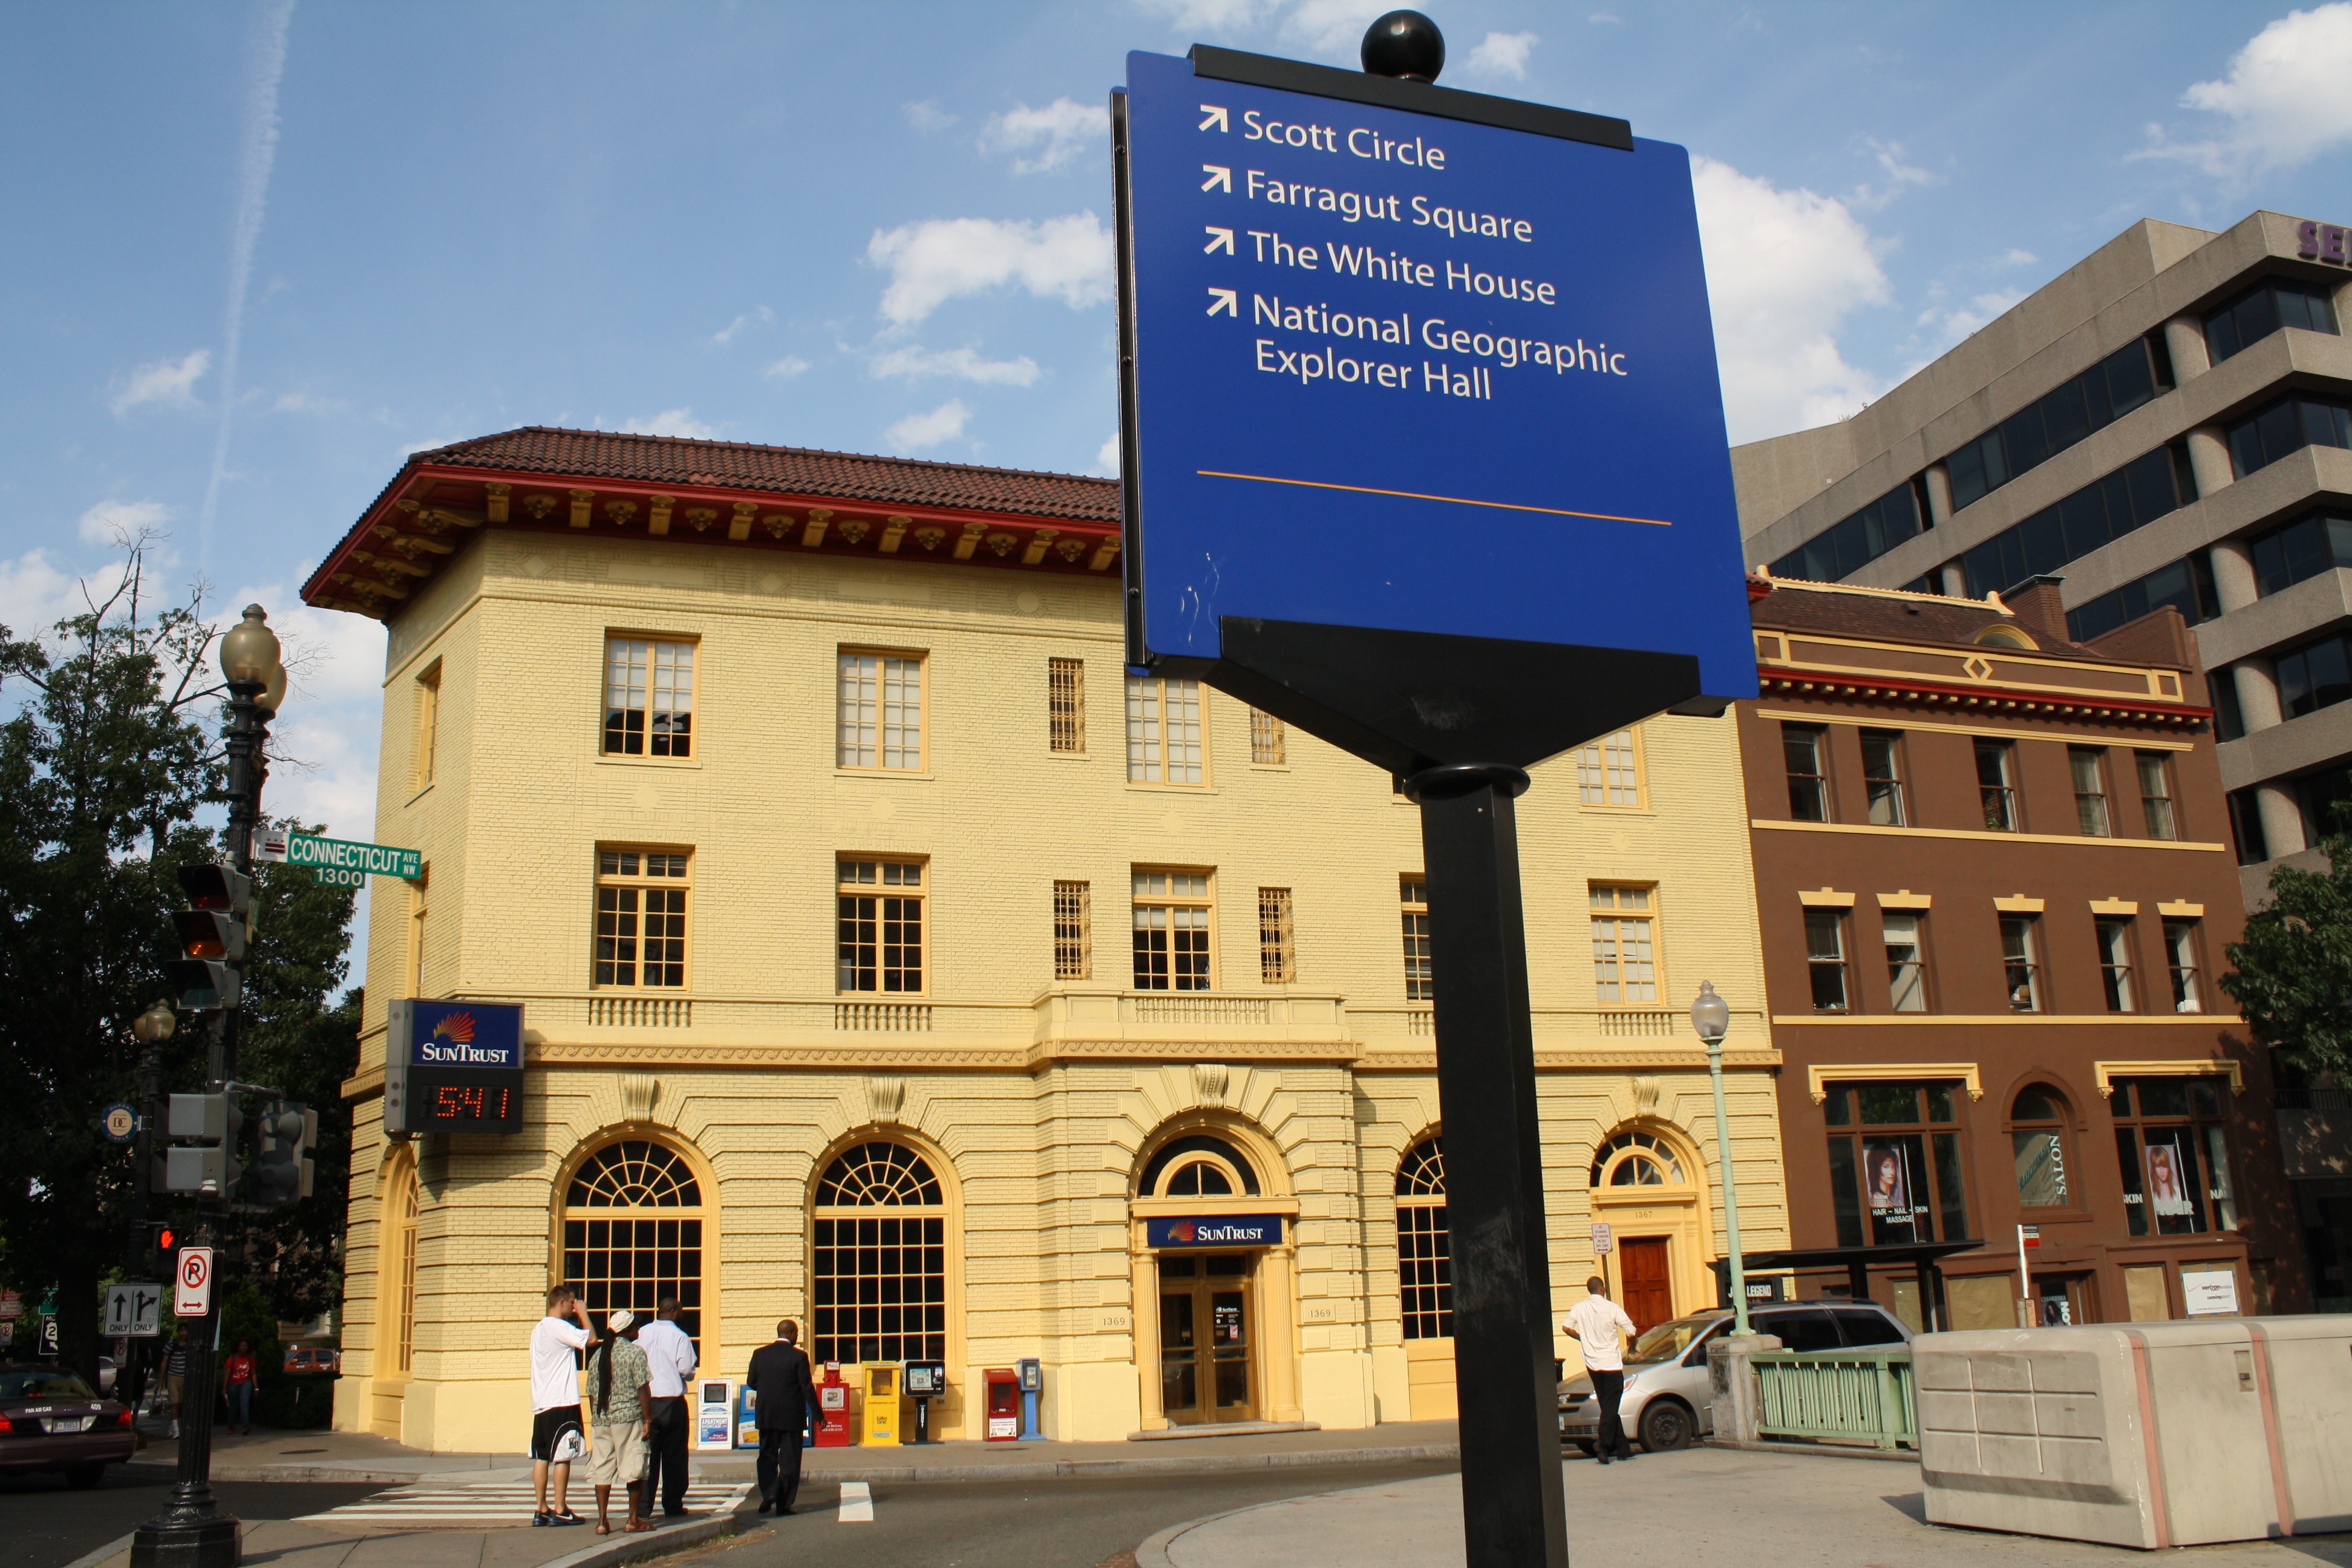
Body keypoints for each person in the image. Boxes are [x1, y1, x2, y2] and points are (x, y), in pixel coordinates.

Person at [529, 1285, 594, 1527]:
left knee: (542, 1455)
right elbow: (591, 1339)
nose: (573, 1306)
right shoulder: (560, 1327)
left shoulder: (539, 1328)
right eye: (572, 1303)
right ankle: (560, 1508)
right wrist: (584, 1313)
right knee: (563, 1455)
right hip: (562, 1400)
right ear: (563, 1303)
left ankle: (541, 1508)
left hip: (542, 1401)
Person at [584, 1311, 653, 1535]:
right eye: (635, 1326)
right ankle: (632, 1519)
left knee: (602, 1468)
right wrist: (648, 1419)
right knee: (634, 1466)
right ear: (627, 1330)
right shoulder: (635, 1353)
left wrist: (596, 1417)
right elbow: (642, 1388)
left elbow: (592, 1393)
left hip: (602, 1419)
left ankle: (603, 1521)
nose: (638, 1330)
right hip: (629, 1417)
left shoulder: (598, 1356)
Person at [745, 1319, 820, 1516]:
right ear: (793, 1334)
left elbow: (751, 1381)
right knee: (790, 1460)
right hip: (791, 1416)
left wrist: (769, 1390)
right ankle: (784, 1503)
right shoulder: (799, 1357)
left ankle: (769, 1491)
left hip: (767, 1414)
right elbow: (806, 1387)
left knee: (767, 1456)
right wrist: (819, 1414)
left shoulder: (760, 1354)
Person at [1563, 1275, 1639, 1465]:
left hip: (1592, 1364)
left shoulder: (1579, 1308)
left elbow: (1566, 1328)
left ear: (1589, 1289)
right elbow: (1631, 1332)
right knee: (1611, 1405)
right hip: (1611, 1363)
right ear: (1603, 1289)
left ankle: (1623, 1449)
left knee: (1608, 1406)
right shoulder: (1612, 1308)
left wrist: (1582, 1338)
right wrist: (1632, 1346)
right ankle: (1602, 1443)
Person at [636, 1296, 699, 1518]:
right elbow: (686, 1370)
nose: (681, 1314)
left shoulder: (642, 1333)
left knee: (647, 1456)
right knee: (674, 1457)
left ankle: (643, 1507)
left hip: (646, 1401)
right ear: (673, 1312)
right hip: (671, 1401)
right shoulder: (680, 1337)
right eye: (680, 1311)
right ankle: (672, 1504)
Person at [223, 1339, 258, 1436]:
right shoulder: (233, 1358)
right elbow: (227, 1373)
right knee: (233, 1406)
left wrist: (256, 1387)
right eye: (242, 1346)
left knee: (244, 1403)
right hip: (233, 1383)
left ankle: (245, 1426)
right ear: (238, 1347)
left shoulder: (250, 1358)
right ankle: (231, 1427)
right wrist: (225, 1387)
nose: (244, 1348)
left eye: (246, 1346)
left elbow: (253, 1373)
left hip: (245, 1382)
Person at [164, 1330, 190, 1436]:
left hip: (186, 1376)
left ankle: (173, 1425)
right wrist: (161, 1379)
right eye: (182, 1331)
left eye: (186, 1331)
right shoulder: (171, 1344)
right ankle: (176, 1430)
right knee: (174, 1402)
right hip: (173, 1375)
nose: (184, 1333)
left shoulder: (191, 1344)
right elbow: (164, 1361)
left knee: (182, 1403)